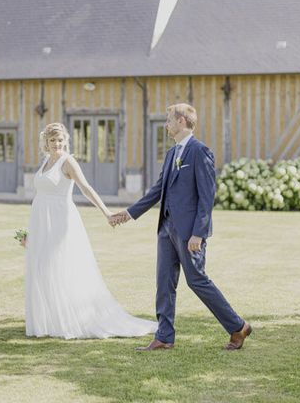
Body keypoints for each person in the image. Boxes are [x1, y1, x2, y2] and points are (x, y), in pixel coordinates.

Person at [110, 103, 252, 351]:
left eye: (169, 120)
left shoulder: (200, 152)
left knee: (197, 280)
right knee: (164, 281)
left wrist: (199, 232)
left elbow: (207, 198)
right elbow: (157, 191)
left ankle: (238, 326)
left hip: (189, 233)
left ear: (182, 121)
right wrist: (128, 213)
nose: (166, 124)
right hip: (165, 228)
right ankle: (164, 336)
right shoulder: (171, 154)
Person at [24, 122, 157, 339]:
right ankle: (48, 320)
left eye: (60, 140)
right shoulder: (46, 162)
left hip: (61, 221)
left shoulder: (68, 162)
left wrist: (106, 213)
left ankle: (71, 319)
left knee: (60, 266)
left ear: (65, 141)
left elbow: (86, 188)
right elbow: (41, 195)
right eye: (52, 140)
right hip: (41, 221)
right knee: (41, 268)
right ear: (45, 143)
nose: (57, 144)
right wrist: (33, 232)